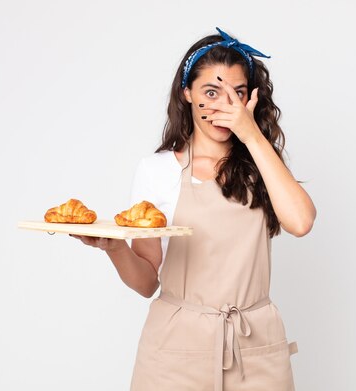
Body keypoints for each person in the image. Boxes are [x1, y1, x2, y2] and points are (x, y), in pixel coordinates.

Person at [72, 27, 316, 391]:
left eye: (238, 93)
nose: (225, 106)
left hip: (254, 349)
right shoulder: (157, 171)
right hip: (175, 351)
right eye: (211, 92)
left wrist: (251, 135)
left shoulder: (262, 165)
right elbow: (146, 281)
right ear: (187, 94)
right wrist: (115, 247)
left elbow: (300, 221)